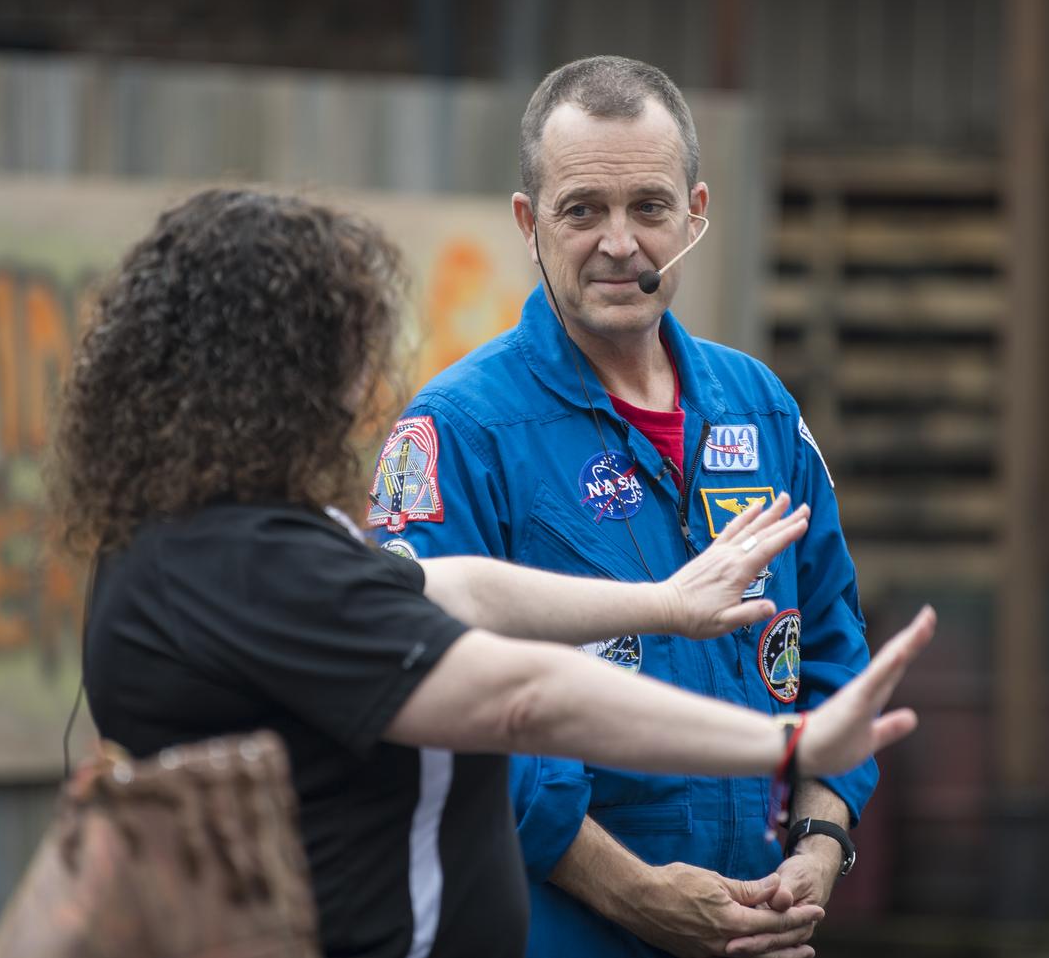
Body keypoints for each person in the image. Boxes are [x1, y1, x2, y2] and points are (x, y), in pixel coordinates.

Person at [48, 188, 934, 958]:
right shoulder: (239, 566)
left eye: (649, 207)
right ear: (279, 380)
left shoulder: (232, 541)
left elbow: (455, 588)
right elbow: (517, 699)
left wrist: (662, 605)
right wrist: (786, 746)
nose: (364, 381)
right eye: (347, 347)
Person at [368, 56, 879, 958]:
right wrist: (638, 895)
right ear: (529, 224)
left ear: (696, 212)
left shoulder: (759, 409)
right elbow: (437, 702)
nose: (619, 242)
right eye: (582, 211)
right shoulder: (460, 432)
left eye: (648, 207)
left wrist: (820, 843)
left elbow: (834, 641)